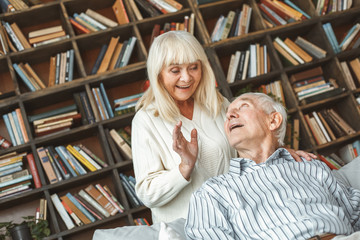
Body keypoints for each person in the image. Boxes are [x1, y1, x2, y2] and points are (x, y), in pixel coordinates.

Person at [131, 30, 315, 224]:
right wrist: (185, 167)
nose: (186, 78)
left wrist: (280, 151)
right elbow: (147, 194)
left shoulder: (217, 104)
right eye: (175, 71)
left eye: (193, 67)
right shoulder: (145, 120)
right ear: (158, 73)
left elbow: (247, 150)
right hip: (188, 228)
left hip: (238, 218)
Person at [184, 92, 360, 240]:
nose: (230, 115)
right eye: (228, 114)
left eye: (243, 106)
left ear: (274, 121)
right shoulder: (213, 192)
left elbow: (354, 213)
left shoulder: (311, 167)